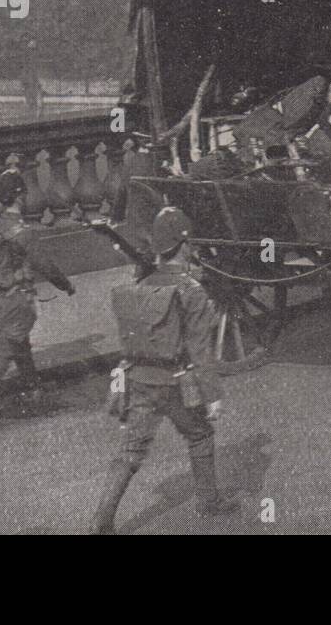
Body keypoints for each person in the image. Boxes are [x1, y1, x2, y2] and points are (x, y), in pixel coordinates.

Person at [92, 207, 237, 533]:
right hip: (175, 383)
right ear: (184, 245)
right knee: (200, 435)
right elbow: (200, 349)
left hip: (138, 379)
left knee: (130, 452)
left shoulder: (140, 283)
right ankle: (209, 502)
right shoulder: (191, 290)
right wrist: (212, 396)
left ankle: (101, 521)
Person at [0, 167, 75, 422]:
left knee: (20, 345)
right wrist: (65, 285)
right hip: (17, 299)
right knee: (5, 352)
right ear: (19, 197)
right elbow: (44, 265)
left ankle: (33, 389)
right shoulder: (20, 231)